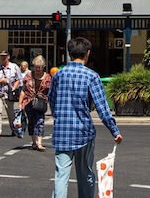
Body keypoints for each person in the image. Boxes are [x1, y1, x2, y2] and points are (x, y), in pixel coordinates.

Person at [48, 37, 122, 198]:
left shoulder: (58, 75)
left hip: (62, 132)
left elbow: (52, 100)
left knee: (61, 176)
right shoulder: (91, 76)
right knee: (85, 173)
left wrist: (59, 116)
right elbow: (102, 107)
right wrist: (114, 131)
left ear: (69, 54)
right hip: (83, 131)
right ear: (87, 54)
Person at [19, 55, 51, 151]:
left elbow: (51, 91)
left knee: (40, 121)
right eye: (36, 67)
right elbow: (23, 90)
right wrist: (20, 103)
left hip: (41, 102)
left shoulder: (48, 77)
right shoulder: (28, 76)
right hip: (29, 102)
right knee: (32, 122)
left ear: (43, 67)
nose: (37, 69)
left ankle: (40, 143)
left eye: (39, 67)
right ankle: (33, 142)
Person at [0, 50, 21, 140]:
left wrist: (14, 88)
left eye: (5, 56)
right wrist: (1, 81)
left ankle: (13, 129)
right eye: (2, 56)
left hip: (9, 93)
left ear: (8, 57)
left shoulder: (14, 67)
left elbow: (18, 79)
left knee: (11, 113)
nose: (3, 58)